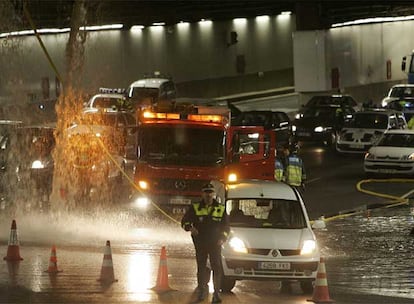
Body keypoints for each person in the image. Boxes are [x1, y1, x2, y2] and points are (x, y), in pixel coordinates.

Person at [181, 183, 230, 303]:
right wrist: (190, 228)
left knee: (216, 267)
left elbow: (226, 227)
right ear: (202, 194)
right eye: (206, 192)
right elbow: (184, 222)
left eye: (210, 192)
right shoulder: (195, 207)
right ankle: (202, 291)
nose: (208, 195)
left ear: (213, 194)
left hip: (215, 243)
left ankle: (216, 294)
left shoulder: (221, 208)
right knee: (201, 267)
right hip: (200, 242)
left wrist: (222, 238)